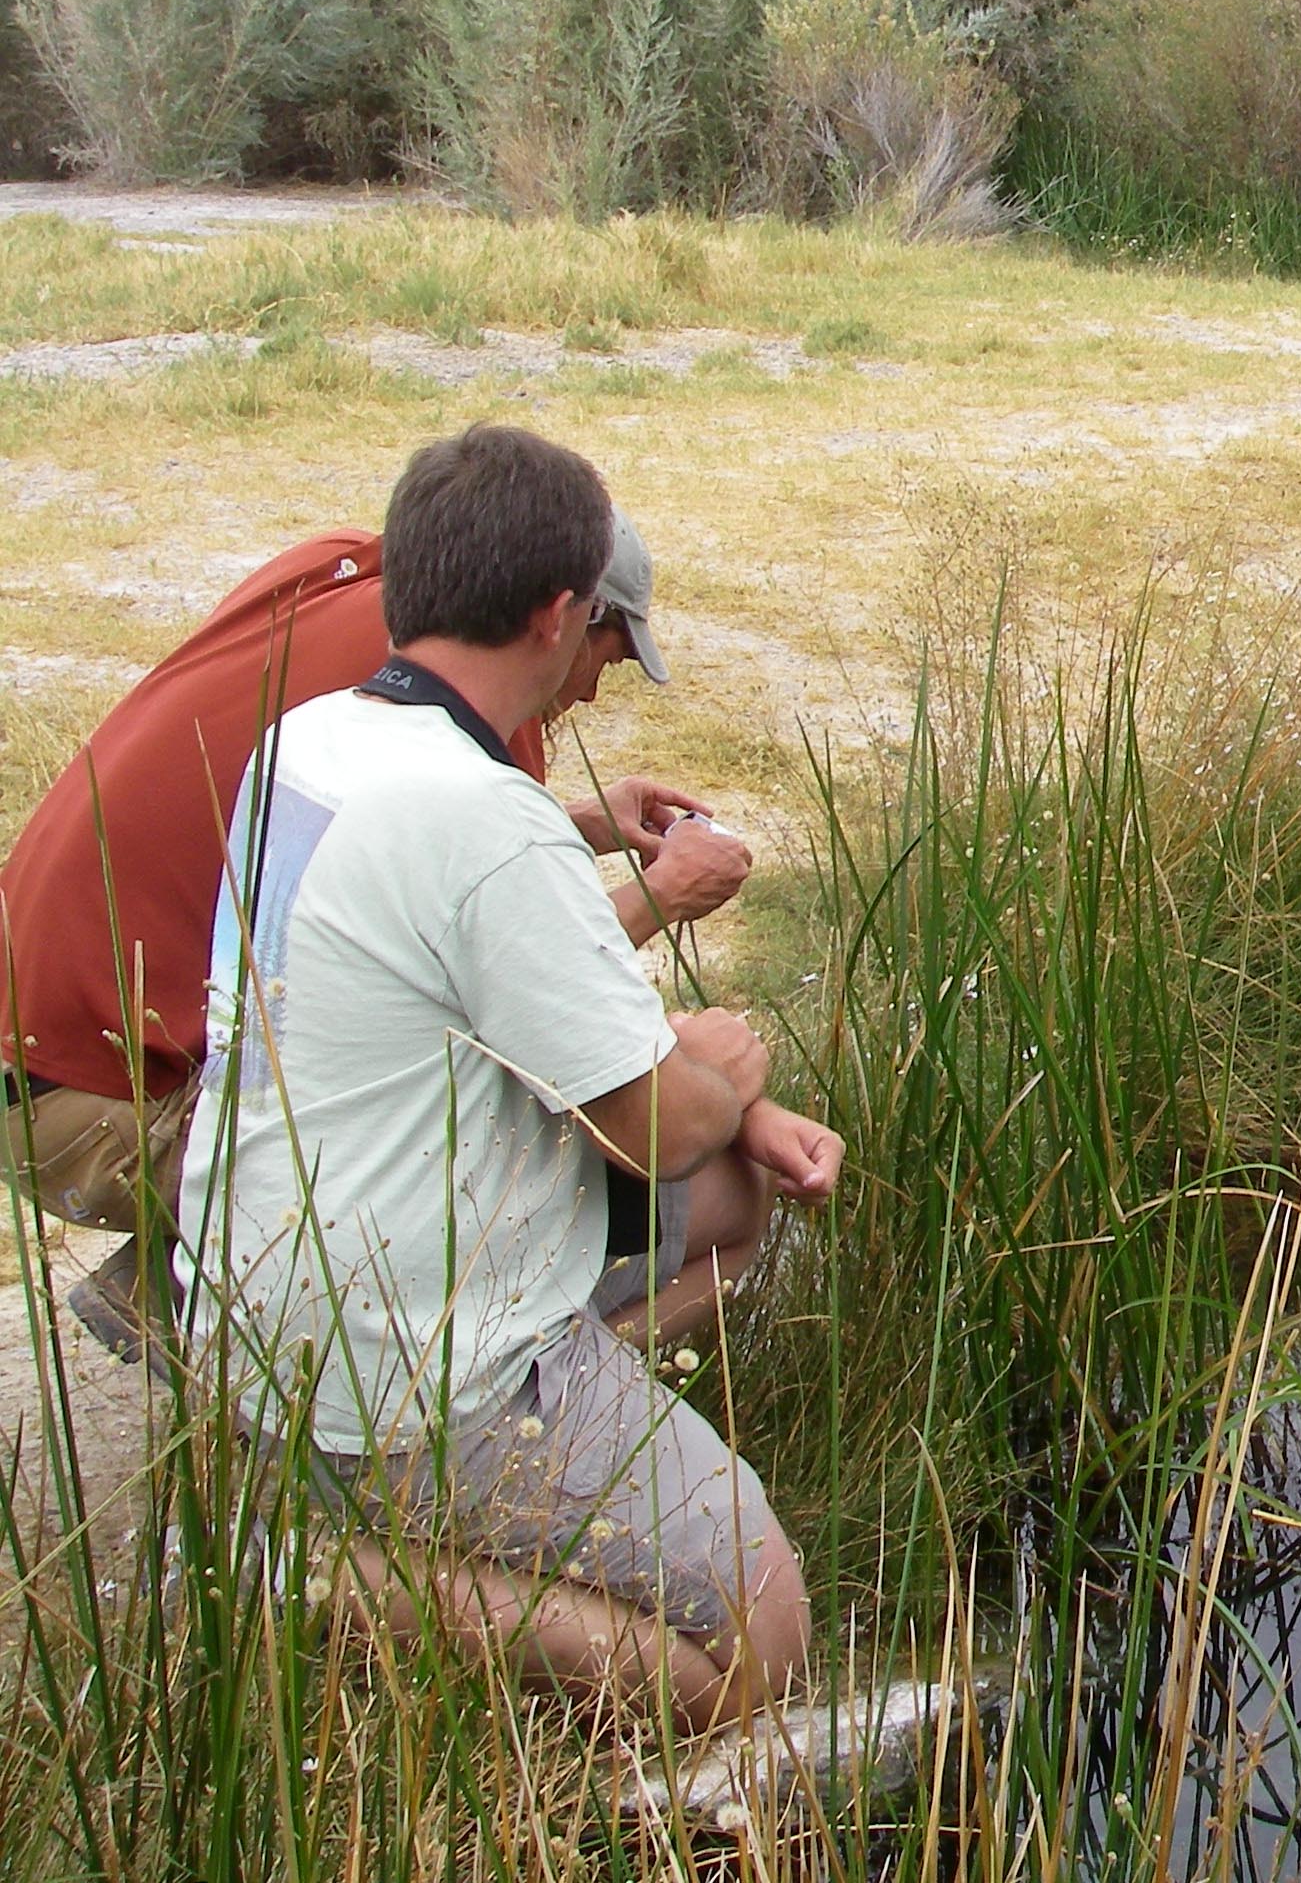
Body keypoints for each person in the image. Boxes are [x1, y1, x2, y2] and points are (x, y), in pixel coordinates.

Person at [176, 424, 837, 1730]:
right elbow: (651, 1126)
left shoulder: (308, 741)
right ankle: (331, 1579)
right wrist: (727, 1073)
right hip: (408, 1356)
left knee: (725, 1212)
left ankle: (479, 1506)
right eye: (598, 632)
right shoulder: (481, 824)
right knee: (763, 1642)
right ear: (554, 615)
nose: (597, 673)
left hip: (258, 1310)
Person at [0, 504, 762, 1352]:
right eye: (607, 657)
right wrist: (663, 899)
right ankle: (420, 1374)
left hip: (38, 1058)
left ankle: (196, 1276)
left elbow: (357, 857)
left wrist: (576, 823)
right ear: (563, 618)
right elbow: (510, 1000)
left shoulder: (339, 577)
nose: (586, 693)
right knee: (488, 1118)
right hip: (111, 1103)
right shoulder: (478, 704)